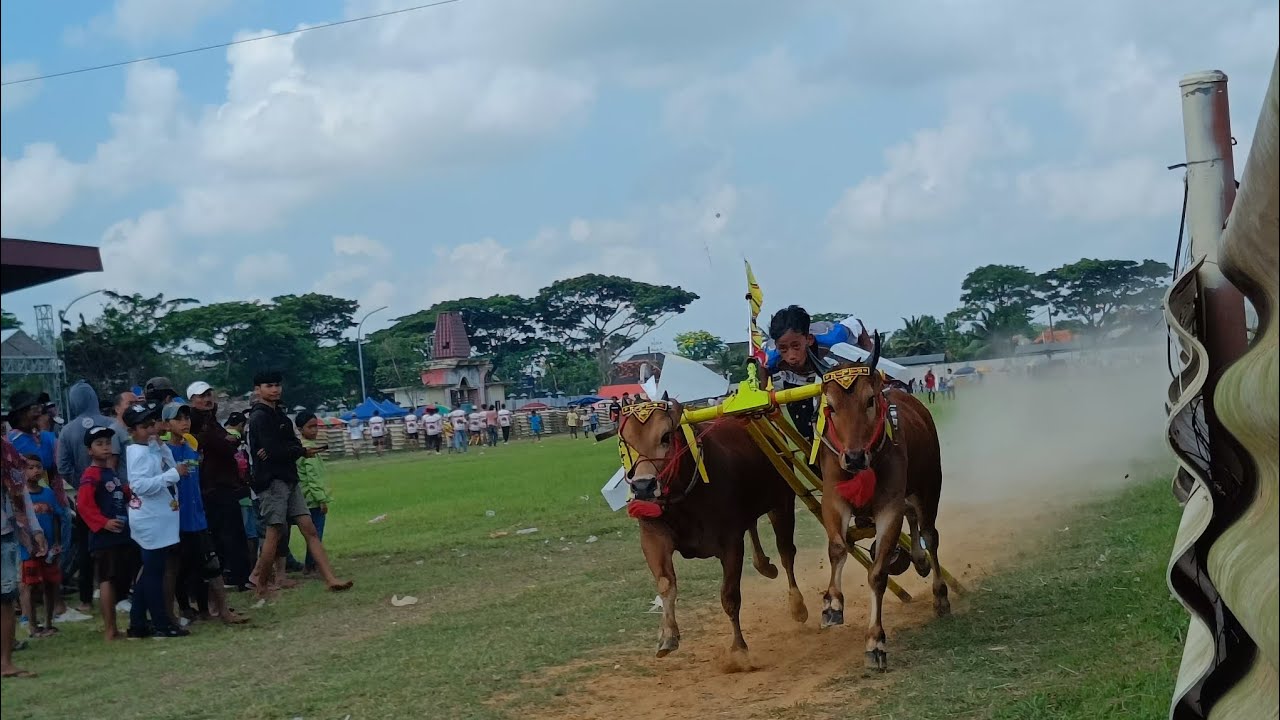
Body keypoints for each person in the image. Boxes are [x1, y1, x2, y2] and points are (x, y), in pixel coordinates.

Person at [245, 371, 352, 598]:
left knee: (309, 529)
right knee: (274, 533)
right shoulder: (259, 417)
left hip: (289, 478)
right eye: (269, 385)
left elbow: (281, 448)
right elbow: (274, 450)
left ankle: (330, 579)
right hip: (272, 482)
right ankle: (261, 586)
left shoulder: (281, 417)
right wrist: (295, 451)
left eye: (277, 385)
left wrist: (287, 450)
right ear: (258, 389)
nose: (274, 389)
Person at [164, 401, 245, 625]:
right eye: (178, 419)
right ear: (167, 424)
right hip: (176, 520)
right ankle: (179, 611)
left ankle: (220, 610)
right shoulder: (164, 452)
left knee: (211, 564)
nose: (185, 423)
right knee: (179, 569)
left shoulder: (192, 444)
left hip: (198, 516)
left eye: (187, 418)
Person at [123, 401, 189, 638]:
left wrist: (162, 449)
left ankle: (138, 623)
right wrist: (173, 475)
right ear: (132, 431)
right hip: (150, 520)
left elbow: (170, 467)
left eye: (152, 424)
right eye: (144, 427)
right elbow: (139, 486)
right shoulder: (137, 453)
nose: (151, 430)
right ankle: (161, 623)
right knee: (153, 574)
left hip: (162, 518)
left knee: (153, 571)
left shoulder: (151, 448)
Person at [56, 381, 119, 618]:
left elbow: (63, 466)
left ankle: (85, 599)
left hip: (86, 497)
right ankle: (118, 592)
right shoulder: (110, 424)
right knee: (116, 546)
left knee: (84, 549)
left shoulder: (67, 430)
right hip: (111, 495)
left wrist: (82, 482)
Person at [186, 382, 252, 592]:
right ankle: (231, 575)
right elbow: (218, 444)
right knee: (224, 534)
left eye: (208, 394)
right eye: (200, 396)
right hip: (211, 486)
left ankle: (236, 575)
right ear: (191, 400)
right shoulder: (195, 422)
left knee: (231, 532)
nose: (206, 399)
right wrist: (227, 441)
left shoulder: (210, 419)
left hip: (222, 483)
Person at [77, 426, 139, 641]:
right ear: (89, 450)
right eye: (99, 444)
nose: (105, 448)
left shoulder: (109, 473)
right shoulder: (90, 475)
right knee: (106, 580)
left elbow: (118, 497)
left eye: (107, 443)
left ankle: (117, 626)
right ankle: (110, 629)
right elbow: (84, 505)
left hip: (121, 533)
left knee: (119, 578)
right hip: (104, 537)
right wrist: (103, 523)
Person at [2, 438, 48, 678]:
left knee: (7, 598)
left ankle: (6, 662)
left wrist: (35, 528)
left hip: (6, 534)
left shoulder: (8, 454)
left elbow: (22, 496)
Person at [17, 455, 63, 638]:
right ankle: (32, 625)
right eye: (30, 467)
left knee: (51, 584)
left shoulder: (49, 493)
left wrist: (58, 544)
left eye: (38, 467)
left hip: (49, 547)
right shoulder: (19, 495)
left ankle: (49, 622)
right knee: (30, 585)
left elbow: (58, 519)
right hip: (28, 549)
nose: (35, 471)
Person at [294, 412, 333, 576]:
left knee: (312, 534)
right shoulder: (307, 450)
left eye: (316, 426)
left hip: (304, 497)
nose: (314, 430)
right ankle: (311, 566)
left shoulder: (300, 447)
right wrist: (321, 499)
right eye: (310, 427)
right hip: (312, 499)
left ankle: (311, 565)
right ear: (300, 429)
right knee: (315, 534)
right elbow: (312, 477)